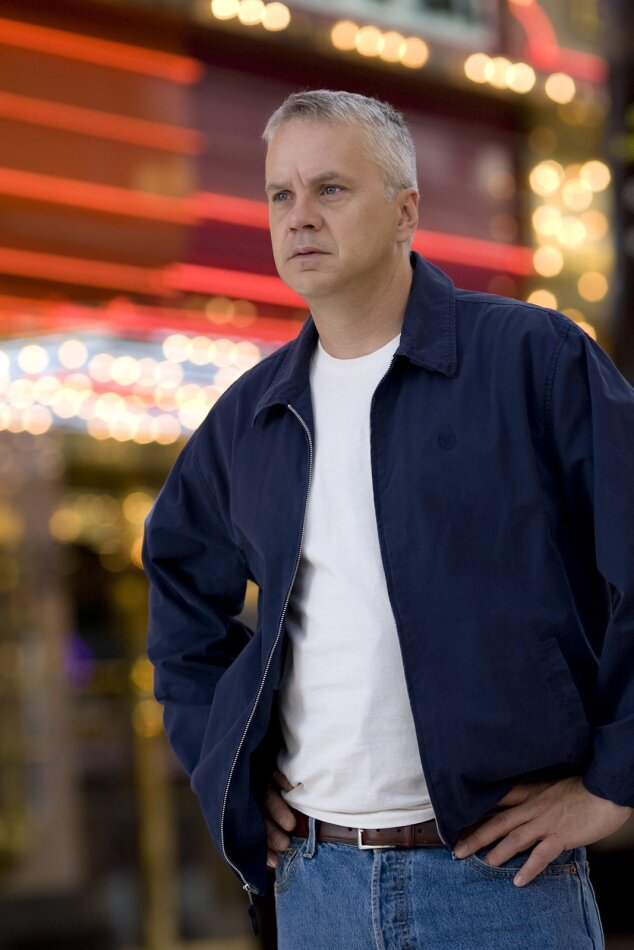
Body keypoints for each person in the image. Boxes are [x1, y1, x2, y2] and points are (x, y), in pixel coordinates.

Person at [143, 90, 634, 948]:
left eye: (330, 189)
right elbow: (180, 592)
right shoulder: (250, 417)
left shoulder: (533, 359)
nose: (299, 216)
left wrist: (614, 783)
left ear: (406, 210)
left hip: (504, 884)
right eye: (281, 194)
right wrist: (229, 765)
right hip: (316, 888)